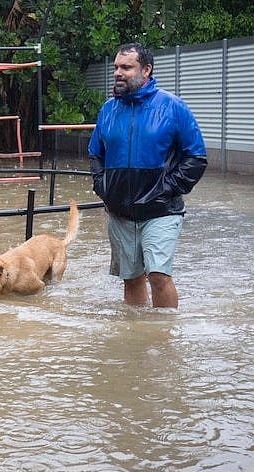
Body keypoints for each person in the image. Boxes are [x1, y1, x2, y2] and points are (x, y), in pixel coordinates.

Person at [88, 43, 208, 308]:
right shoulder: (108, 110)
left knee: (158, 275)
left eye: (126, 67)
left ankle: (164, 337)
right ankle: (137, 337)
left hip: (161, 211)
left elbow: (196, 157)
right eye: (117, 67)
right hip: (119, 211)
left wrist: (166, 188)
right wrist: (103, 188)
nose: (118, 73)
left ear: (146, 70)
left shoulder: (173, 107)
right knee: (130, 278)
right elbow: (95, 154)